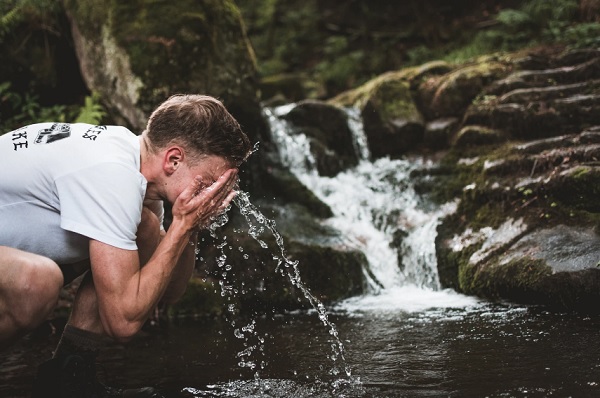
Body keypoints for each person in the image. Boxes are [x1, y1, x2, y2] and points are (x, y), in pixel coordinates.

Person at [0, 94, 252, 397]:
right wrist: (183, 224)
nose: (216, 193)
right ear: (173, 159)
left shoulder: (135, 170)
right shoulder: (112, 173)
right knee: (35, 282)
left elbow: (170, 291)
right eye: (212, 181)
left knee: (144, 229)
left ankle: (69, 375)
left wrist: (187, 228)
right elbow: (123, 323)